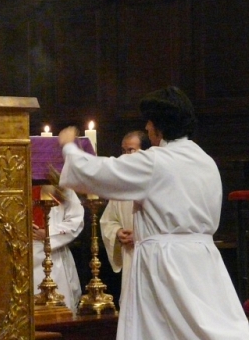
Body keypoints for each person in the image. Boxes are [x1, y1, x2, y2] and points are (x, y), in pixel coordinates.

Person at [58, 86, 249, 340]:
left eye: (149, 122)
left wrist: (69, 148)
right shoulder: (206, 161)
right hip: (204, 264)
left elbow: (100, 173)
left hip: (164, 264)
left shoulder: (156, 161)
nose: (147, 128)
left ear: (159, 126)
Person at [99, 130, 150, 309]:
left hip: (150, 255)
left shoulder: (154, 180)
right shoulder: (121, 186)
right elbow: (108, 220)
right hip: (130, 254)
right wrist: (118, 232)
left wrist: (141, 234)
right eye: (123, 151)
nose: (125, 156)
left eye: (131, 150)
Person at [32, 185, 84, 310]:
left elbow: (76, 220)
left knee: (59, 309)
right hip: (24, 252)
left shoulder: (62, 188)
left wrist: (49, 233)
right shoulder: (17, 184)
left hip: (54, 254)